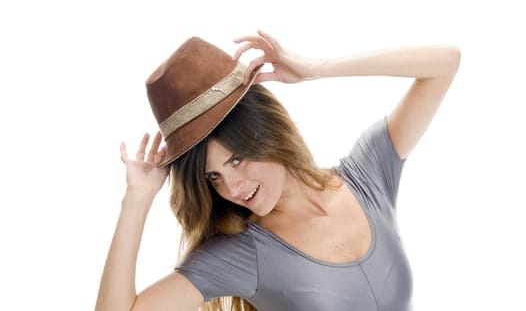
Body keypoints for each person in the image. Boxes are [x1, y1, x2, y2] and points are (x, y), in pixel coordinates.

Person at [95, 31, 461, 311]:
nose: (232, 187)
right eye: (214, 177)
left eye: (236, 159)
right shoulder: (239, 253)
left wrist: (318, 69)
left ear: (266, 131)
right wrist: (136, 202)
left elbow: (445, 63)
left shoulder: (368, 175)